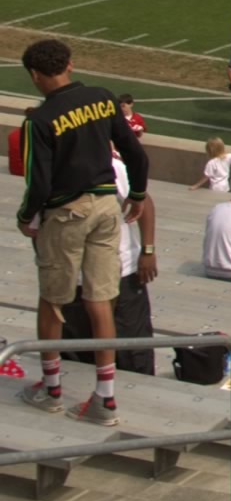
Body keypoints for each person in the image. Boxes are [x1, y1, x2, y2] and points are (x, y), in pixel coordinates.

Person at [16, 40, 152, 422]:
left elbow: (38, 183)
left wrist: (25, 217)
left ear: (35, 75)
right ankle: (105, 398)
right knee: (100, 298)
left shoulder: (39, 121)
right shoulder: (103, 97)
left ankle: (52, 388)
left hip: (67, 211)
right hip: (107, 205)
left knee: (53, 299)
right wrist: (138, 194)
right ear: (70, 65)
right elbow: (136, 153)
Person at [57, 117, 157, 378]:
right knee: (78, 350)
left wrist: (147, 250)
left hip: (120, 272)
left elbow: (144, 202)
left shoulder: (112, 167)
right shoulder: (53, 168)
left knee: (129, 346)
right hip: (74, 278)